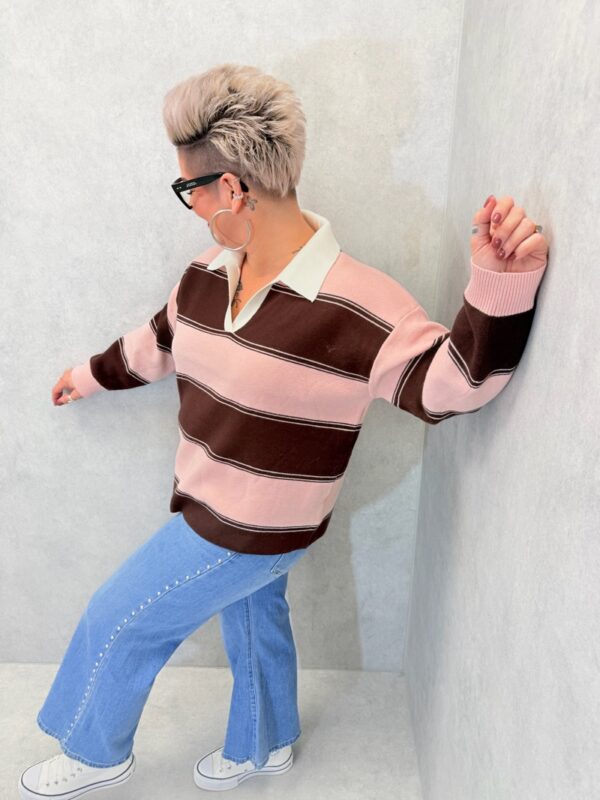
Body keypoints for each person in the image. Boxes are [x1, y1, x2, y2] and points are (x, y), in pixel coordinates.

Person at [19, 63, 549, 798]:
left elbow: (452, 386)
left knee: (120, 618)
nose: (191, 206)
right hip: (208, 503)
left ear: (231, 189)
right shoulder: (207, 273)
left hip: (253, 530)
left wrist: (500, 281)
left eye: (190, 189)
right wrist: (88, 375)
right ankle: (265, 743)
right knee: (252, 618)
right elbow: (159, 341)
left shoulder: (361, 305)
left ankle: (95, 750)